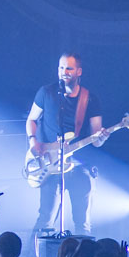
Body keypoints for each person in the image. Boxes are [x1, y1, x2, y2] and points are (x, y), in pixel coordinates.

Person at [26, 53, 107, 234]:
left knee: (83, 223)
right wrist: (33, 141)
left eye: (69, 68)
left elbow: (96, 140)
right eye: (61, 68)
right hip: (51, 164)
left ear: (79, 71)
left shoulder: (90, 99)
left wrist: (101, 138)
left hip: (80, 166)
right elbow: (31, 119)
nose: (64, 72)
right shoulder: (46, 93)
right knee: (46, 220)